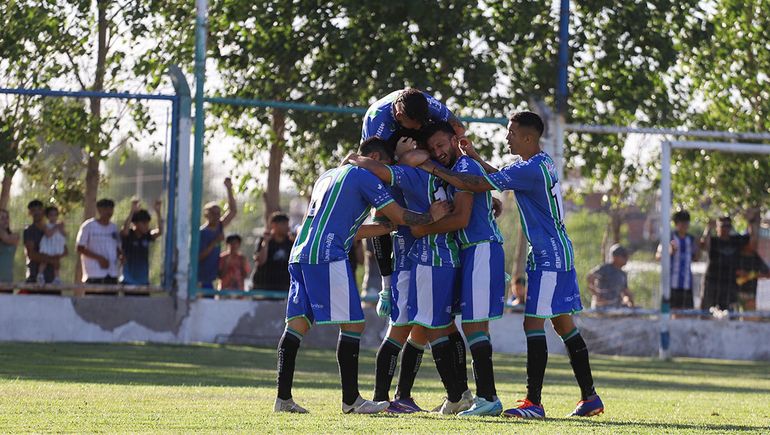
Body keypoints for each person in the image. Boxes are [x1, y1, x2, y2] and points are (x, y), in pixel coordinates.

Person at [404, 111, 604, 418]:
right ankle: (589, 397)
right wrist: (475, 157)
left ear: (527, 137)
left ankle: (533, 403)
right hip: (555, 251)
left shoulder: (528, 168)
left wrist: (430, 166)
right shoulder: (540, 163)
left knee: (532, 324)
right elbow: (498, 176)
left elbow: (476, 184)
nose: (507, 137)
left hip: (549, 255)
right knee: (563, 325)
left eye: (511, 133)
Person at [274, 136, 450, 415]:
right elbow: (401, 215)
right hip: (328, 254)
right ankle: (351, 401)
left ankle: (283, 400)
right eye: (386, 167)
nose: (385, 175)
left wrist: (387, 228)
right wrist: (431, 216)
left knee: (296, 325)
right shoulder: (363, 176)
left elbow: (350, 229)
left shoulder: (328, 176)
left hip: (301, 253)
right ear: (375, 160)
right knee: (354, 325)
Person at [406, 121, 507, 416]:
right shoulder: (457, 170)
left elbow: (462, 219)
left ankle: (487, 397)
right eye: (432, 148)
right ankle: (479, 397)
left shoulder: (464, 167)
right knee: (474, 325)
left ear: (454, 140)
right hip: (473, 251)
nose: (438, 152)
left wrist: (423, 228)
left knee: (474, 325)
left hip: (480, 248)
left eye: (441, 145)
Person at [700, 213, 759, 311]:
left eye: (728, 226)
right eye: (722, 226)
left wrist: (751, 221)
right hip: (712, 282)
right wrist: (709, 227)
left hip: (729, 283)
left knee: (730, 313)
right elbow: (704, 245)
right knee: (706, 312)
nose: (725, 228)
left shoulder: (736, 240)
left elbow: (753, 242)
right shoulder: (713, 241)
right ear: (717, 227)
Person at [361, 88, 465, 143]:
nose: (419, 127)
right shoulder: (375, 122)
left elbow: (458, 128)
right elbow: (372, 163)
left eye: (423, 121)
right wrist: (400, 157)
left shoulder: (426, 101)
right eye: (416, 124)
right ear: (399, 116)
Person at [199, 177, 237, 290]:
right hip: (200, 279)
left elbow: (233, 211)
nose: (217, 216)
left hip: (212, 278)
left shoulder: (219, 226)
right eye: (213, 213)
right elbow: (199, 257)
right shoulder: (202, 233)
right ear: (206, 215)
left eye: (218, 214)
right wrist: (215, 242)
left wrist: (229, 189)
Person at [656, 210, 699, 309]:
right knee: (672, 312)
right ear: (676, 224)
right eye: (682, 222)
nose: (685, 225)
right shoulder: (669, 237)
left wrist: (698, 247)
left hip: (687, 284)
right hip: (671, 284)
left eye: (686, 222)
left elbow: (696, 258)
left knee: (688, 313)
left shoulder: (691, 239)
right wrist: (670, 252)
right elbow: (658, 256)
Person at [76, 198, 121, 284]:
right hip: (94, 274)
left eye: (111, 209)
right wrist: (99, 258)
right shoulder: (88, 226)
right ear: (99, 210)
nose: (109, 212)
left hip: (112, 274)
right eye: (106, 209)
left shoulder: (114, 228)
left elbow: (117, 248)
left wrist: (121, 256)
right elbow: (80, 248)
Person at [120, 199, 163, 285]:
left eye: (147, 223)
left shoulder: (147, 236)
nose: (146, 226)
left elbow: (160, 231)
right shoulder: (129, 235)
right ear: (135, 224)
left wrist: (158, 212)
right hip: (128, 281)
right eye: (143, 223)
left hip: (143, 281)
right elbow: (125, 231)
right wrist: (132, 212)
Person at [24, 200, 66, 284]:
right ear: (30, 213)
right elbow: (31, 254)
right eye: (34, 210)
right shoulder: (30, 230)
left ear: (43, 211)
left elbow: (65, 250)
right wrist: (51, 260)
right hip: (35, 276)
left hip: (52, 276)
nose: (37, 213)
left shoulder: (54, 227)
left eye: (39, 209)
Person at [251, 212, 293, 294]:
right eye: (284, 224)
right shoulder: (263, 241)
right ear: (274, 225)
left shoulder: (291, 242)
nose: (287, 227)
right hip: (263, 287)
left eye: (287, 224)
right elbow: (260, 261)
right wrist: (266, 242)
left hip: (284, 289)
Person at [587, 244, 635, 309]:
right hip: (602, 307)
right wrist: (596, 294)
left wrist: (630, 303)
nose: (626, 258)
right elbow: (590, 277)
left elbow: (625, 291)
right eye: (624, 256)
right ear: (615, 257)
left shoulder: (622, 274)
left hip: (616, 307)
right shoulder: (605, 268)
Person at [37, 206, 67, 284]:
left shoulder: (59, 225)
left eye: (55, 215)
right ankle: (40, 275)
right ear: (47, 216)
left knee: (56, 262)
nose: (53, 217)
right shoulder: (46, 225)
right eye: (51, 215)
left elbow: (64, 234)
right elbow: (48, 234)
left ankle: (57, 278)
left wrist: (61, 228)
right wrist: (56, 227)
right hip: (48, 246)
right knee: (44, 261)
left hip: (56, 246)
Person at [0, 209, 20, 283]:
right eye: (2, 218)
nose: (5, 220)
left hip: (8, 279)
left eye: (7, 217)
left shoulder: (15, 236)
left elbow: (7, 239)